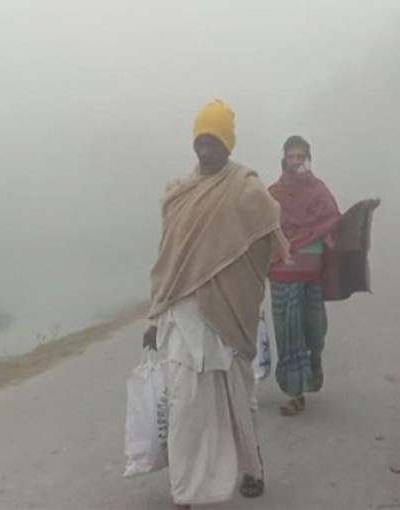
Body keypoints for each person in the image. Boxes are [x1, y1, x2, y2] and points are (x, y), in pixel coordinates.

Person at [142, 99, 290, 508]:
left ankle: (252, 467)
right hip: (182, 316)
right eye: (200, 142)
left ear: (228, 144)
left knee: (237, 401)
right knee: (185, 407)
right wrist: (155, 316)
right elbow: (170, 261)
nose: (205, 151)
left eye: (214, 142)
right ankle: (186, 491)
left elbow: (269, 238)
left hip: (231, 313)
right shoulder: (179, 194)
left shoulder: (245, 187)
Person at [267, 135, 380, 416]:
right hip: (281, 270)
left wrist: (361, 210)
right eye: (290, 157)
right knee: (287, 330)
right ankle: (295, 392)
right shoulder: (273, 194)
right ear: (283, 158)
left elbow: (335, 222)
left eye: (300, 157)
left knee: (313, 327)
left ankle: (314, 358)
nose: (295, 162)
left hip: (310, 271)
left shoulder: (319, 191)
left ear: (308, 159)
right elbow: (261, 225)